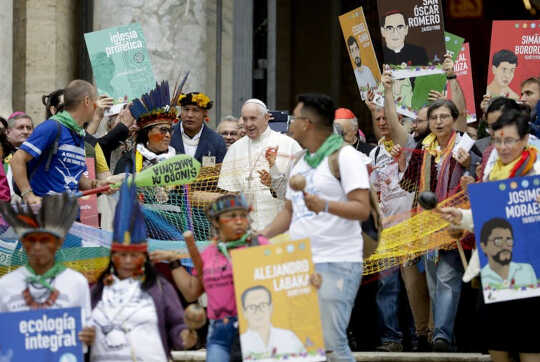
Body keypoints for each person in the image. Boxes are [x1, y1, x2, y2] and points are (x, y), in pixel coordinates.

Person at [262, 93, 370, 362]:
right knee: (302, 343)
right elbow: (288, 210)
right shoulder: (300, 160)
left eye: (294, 118)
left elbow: (362, 208)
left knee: (331, 344)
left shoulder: (345, 157)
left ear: (307, 123)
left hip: (336, 261)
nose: (289, 123)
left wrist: (325, 205)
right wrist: (258, 237)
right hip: (299, 262)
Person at [436, 109, 540, 362]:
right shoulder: (493, 174)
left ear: (525, 140)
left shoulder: (535, 174)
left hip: (532, 279)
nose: (503, 147)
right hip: (495, 277)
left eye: (510, 141)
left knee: (529, 351)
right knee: (498, 351)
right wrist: (460, 217)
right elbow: (490, 219)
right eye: (498, 141)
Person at [90, 177, 195, 362]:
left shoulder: (160, 287)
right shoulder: (97, 290)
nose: (128, 261)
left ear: (144, 257)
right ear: (113, 257)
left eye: (135, 255)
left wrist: (190, 333)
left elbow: (178, 329)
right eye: (123, 255)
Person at [167, 194, 270, 361]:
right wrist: (174, 263)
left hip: (256, 327)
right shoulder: (209, 253)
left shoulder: (260, 245)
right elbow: (191, 292)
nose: (239, 221)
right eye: (231, 216)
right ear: (216, 221)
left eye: (243, 215)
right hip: (219, 332)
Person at [401, 98, 469, 352]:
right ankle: (440, 336)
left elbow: (475, 177)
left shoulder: (464, 146)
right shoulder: (424, 148)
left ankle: (441, 335)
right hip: (427, 225)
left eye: (444, 117)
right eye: (434, 118)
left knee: (447, 279)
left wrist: (469, 166)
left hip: (455, 223)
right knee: (433, 282)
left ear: (455, 119)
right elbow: (414, 189)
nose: (439, 122)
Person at [0, 193, 95, 347]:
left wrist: (89, 337)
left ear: (60, 242)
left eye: (45, 240)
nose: (38, 247)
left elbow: (85, 329)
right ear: (23, 243)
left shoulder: (77, 283)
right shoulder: (5, 285)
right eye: (31, 240)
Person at [11, 80, 112, 205]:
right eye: (94, 102)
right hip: (44, 215)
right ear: (86, 101)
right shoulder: (52, 127)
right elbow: (17, 159)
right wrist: (28, 195)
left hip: (68, 215)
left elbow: (75, 175)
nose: (96, 107)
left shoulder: (78, 134)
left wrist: (97, 184)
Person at [218, 98, 301, 231]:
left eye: (253, 118)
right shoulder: (235, 149)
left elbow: (301, 189)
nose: (248, 124)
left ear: (266, 118)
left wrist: (274, 182)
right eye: (244, 119)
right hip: (247, 228)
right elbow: (230, 192)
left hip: (282, 228)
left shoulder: (289, 145)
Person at [115, 81, 177, 175]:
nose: (168, 135)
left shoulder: (178, 161)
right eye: (163, 130)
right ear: (147, 133)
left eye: (169, 130)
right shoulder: (129, 161)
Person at [239, 285, 306, 358]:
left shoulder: (289, 337)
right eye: (251, 307)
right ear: (244, 312)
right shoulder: (240, 344)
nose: (258, 311)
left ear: (271, 308)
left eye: (263, 305)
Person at [170, 92, 227, 165]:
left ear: (205, 113)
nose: (190, 115)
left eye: (195, 110)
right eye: (186, 109)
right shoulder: (168, 136)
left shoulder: (216, 141)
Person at [478, 218, 537, 287]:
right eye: (498, 241)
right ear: (484, 246)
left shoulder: (527, 270)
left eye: (509, 240)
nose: (505, 246)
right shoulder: (482, 277)